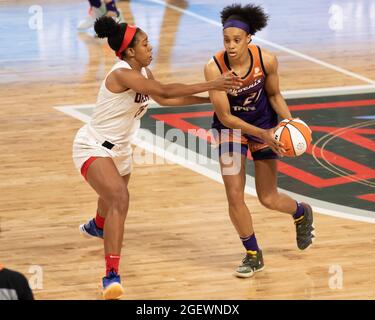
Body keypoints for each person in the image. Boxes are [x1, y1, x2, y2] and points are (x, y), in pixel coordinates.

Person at [73, 17, 242, 300]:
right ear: (129, 51)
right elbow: (165, 91)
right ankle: (111, 276)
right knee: (119, 199)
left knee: (112, 199)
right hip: (93, 147)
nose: (150, 47)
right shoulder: (121, 73)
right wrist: (214, 83)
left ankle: (98, 226)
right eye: (144, 43)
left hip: (121, 150)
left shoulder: (144, 73)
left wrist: (212, 100)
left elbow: (166, 100)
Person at [204, 3, 315, 278]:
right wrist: (263, 134)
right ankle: (253, 254)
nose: (231, 46)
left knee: (268, 197)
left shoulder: (266, 60)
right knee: (233, 193)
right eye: (226, 40)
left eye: (237, 40)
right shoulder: (213, 68)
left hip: (264, 123)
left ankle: (301, 212)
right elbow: (226, 116)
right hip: (230, 129)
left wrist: (289, 124)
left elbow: (275, 95)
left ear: (249, 38)